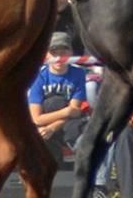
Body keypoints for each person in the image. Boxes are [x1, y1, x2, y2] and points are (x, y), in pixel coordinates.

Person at [27, 33, 89, 161]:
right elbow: (37, 118)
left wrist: (52, 127)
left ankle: (88, 170)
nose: (59, 57)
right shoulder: (38, 75)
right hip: (44, 124)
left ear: (71, 52)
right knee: (52, 103)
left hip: (68, 124)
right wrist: (66, 111)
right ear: (47, 55)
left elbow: (76, 112)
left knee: (86, 134)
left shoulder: (78, 73)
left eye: (63, 52)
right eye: (54, 53)